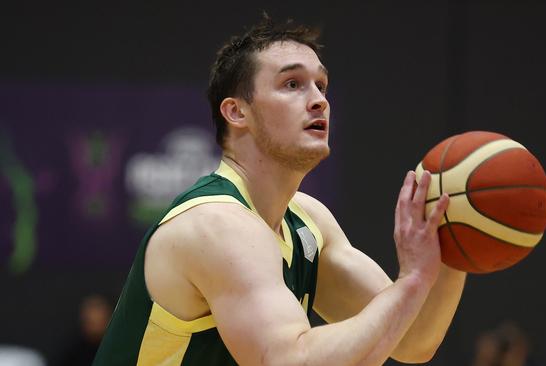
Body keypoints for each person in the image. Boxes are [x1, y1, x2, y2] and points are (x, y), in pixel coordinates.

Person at [94, 15, 466, 366]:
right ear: (237, 112)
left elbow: (411, 338)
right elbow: (288, 360)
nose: (319, 99)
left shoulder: (307, 221)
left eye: (321, 85)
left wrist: (457, 246)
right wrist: (413, 280)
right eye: (292, 84)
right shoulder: (216, 224)